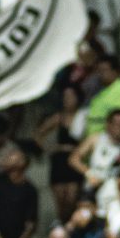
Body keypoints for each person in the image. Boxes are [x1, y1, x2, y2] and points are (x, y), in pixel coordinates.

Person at [68, 107, 120, 216]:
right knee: (81, 217)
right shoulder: (95, 139)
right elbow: (73, 159)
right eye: (115, 123)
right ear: (108, 124)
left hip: (118, 195)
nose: (118, 127)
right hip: (93, 190)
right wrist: (89, 174)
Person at [34, 84, 87, 223]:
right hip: (60, 160)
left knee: (71, 199)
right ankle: (61, 227)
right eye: (65, 96)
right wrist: (53, 148)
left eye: (70, 96)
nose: (67, 99)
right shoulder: (59, 117)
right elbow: (39, 134)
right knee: (60, 202)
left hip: (76, 161)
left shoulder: (84, 117)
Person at [83, 54, 120, 136]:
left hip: (110, 140)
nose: (101, 74)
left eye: (104, 70)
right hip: (96, 139)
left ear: (116, 71)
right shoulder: (103, 89)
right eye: (99, 71)